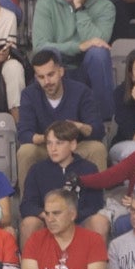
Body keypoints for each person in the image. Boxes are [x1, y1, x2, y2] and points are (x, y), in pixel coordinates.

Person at [31, 0, 117, 117]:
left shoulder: (105, 7)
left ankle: (104, 121)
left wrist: (79, 8)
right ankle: (47, 118)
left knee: (98, 53)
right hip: (56, 67)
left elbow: (98, 42)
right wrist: (78, 47)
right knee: (49, 53)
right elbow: (40, 46)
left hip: (86, 68)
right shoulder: (46, 2)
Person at [18, 49, 109, 179]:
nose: (47, 82)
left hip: (75, 147)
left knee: (97, 148)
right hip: (46, 148)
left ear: (61, 71)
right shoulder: (29, 94)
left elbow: (98, 130)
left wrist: (79, 127)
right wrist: (52, 140)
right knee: (26, 151)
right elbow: (24, 133)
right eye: (41, 77)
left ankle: (97, 198)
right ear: (36, 77)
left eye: (51, 74)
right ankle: (28, 199)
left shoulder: (81, 91)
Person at [19, 121, 105, 242]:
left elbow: (95, 205)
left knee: (100, 221)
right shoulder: (37, 170)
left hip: (78, 221)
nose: (53, 148)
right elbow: (27, 206)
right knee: (29, 223)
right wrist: (49, 215)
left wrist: (68, 217)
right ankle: (29, 261)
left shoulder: (89, 168)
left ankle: (96, 261)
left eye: (59, 143)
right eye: (49, 143)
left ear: (73, 144)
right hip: (48, 222)